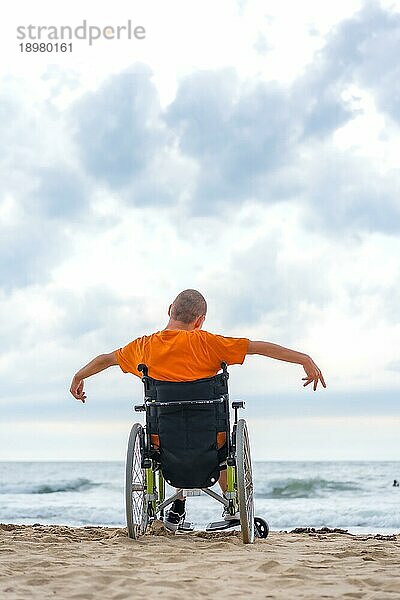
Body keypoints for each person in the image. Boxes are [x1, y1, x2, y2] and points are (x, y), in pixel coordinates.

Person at [70, 289, 326, 531]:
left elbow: (107, 359)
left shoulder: (144, 347)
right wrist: (304, 359)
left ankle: (177, 505)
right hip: (211, 439)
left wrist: (79, 376)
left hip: (164, 440)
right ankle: (231, 503)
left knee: (177, 431)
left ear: (170, 309)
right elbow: (258, 347)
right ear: (199, 321)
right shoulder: (209, 343)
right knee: (221, 443)